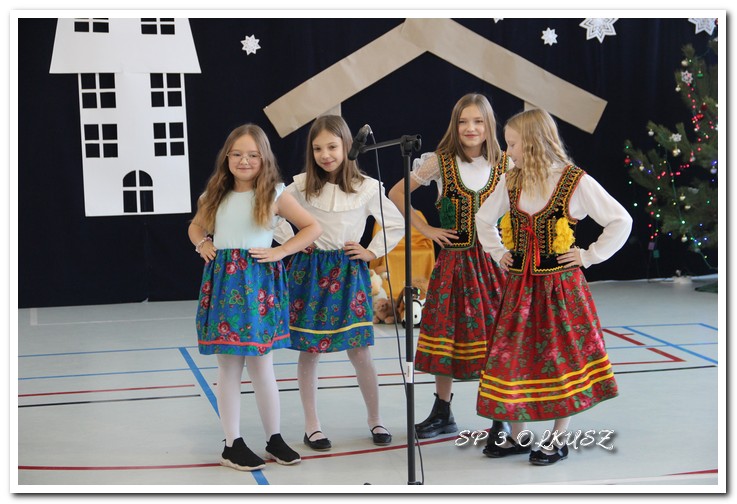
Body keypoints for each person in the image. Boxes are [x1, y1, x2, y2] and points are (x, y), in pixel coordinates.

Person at [475, 108, 632, 465]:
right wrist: (499, 252)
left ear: (533, 143)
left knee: (560, 357)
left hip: (560, 289)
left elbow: (620, 220)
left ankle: (558, 439)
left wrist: (589, 256)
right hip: (519, 289)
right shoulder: (511, 181)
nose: (507, 151)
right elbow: (484, 219)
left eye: (513, 144)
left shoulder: (573, 181)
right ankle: (517, 436)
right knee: (510, 356)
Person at [188, 124, 322, 471]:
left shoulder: (275, 193)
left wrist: (281, 251)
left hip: (259, 286)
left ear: (264, 159)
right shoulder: (214, 194)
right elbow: (195, 226)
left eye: (252, 155)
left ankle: (274, 438)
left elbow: (312, 227)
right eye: (237, 154)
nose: (244, 161)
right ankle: (231, 443)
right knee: (229, 366)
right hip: (226, 286)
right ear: (226, 158)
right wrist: (202, 243)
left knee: (263, 365)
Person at [274, 115, 405, 451]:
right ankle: (312, 426)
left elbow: (395, 223)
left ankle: (375, 418)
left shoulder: (367, 187)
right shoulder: (300, 187)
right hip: (309, 272)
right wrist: (294, 242)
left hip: (348, 274)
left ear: (347, 146)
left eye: (332, 147)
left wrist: (370, 251)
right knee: (310, 350)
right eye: (318, 148)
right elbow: (271, 212)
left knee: (360, 351)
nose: (325, 155)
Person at [388, 93, 509, 441]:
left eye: (478, 121)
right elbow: (397, 193)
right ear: (454, 126)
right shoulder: (440, 163)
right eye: (463, 121)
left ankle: (500, 415)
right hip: (454, 265)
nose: (471, 128)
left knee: (495, 339)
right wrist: (425, 229)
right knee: (445, 336)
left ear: (489, 126)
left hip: (494, 265)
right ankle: (443, 411)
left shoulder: (506, 165)